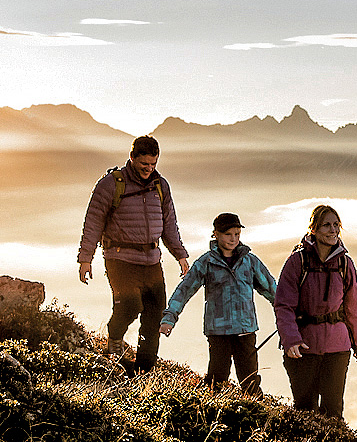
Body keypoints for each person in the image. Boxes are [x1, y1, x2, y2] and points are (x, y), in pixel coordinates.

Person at [78, 135, 189, 375]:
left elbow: (169, 224)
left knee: (155, 316)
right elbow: (93, 222)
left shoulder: (160, 186)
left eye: (153, 164)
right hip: (120, 258)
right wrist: (86, 259)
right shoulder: (111, 184)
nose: (149, 169)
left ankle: (143, 370)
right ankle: (115, 336)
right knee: (130, 305)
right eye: (144, 164)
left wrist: (180, 254)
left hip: (152, 259)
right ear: (132, 158)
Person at [159, 213, 277, 393]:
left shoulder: (250, 261)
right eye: (228, 234)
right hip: (218, 331)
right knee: (217, 379)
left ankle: (253, 410)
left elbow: (272, 290)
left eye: (237, 234)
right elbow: (184, 290)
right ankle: (210, 408)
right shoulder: (206, 262)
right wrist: (169, 317)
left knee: (250, 382)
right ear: (215, 234)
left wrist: (290, 314)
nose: (233, 239)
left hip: (245, 330)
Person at [274, 205, 357, 420]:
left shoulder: (345, 263)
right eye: (326, 225)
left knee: (333, 411)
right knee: (305, 409)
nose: (333, 230)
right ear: (313, 229)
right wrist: (290, 340)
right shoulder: (297, 261)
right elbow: (284, 305)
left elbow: (353, 307)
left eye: (336, 225)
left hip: (338, 347)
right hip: (303, 347)